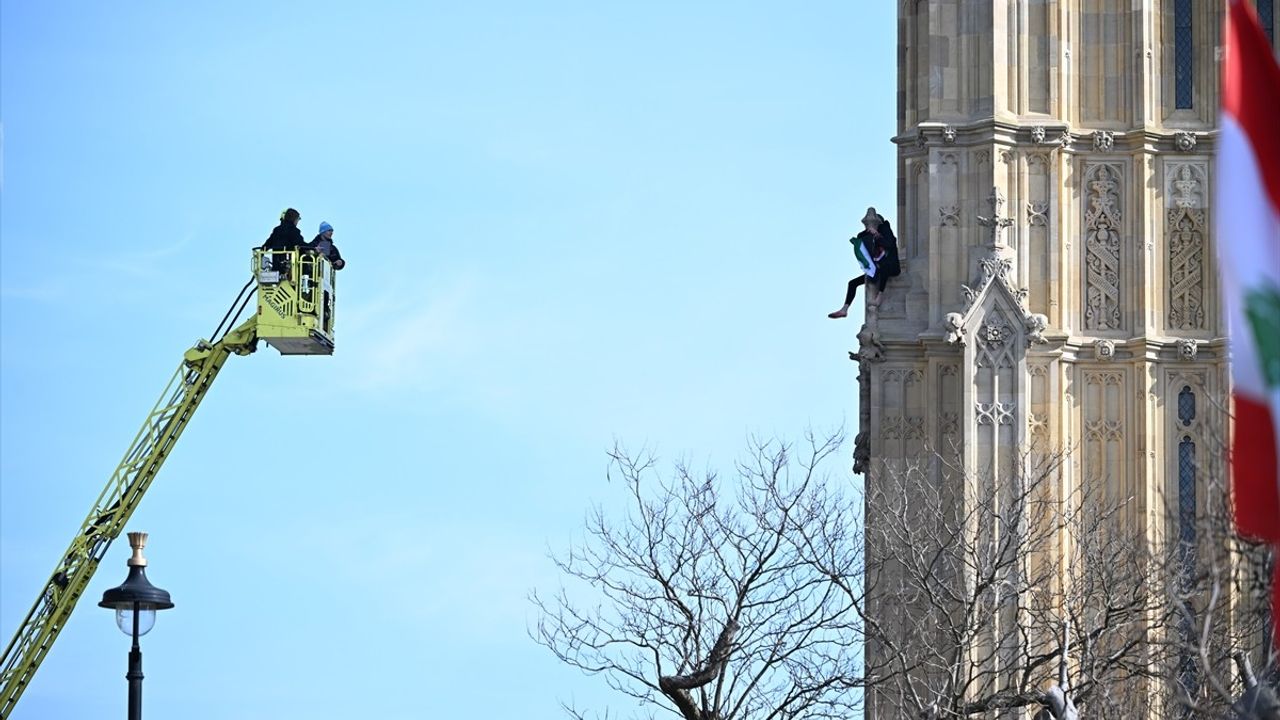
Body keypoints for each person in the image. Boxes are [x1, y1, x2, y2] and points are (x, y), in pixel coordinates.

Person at [828, 207, 901, 319]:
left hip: (892, 267)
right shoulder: (869, 235)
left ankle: (879, 296)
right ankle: (844, 309)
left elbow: (889, 244)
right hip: (877, 269)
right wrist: (869, 233)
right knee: (852, 283)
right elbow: (860, 239)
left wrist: (877, 235)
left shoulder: (887, 233)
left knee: (884, 268)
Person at [261, 208, 306, 273]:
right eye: (298, 219)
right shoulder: (294, 231)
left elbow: (267, 245)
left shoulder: (277, 230)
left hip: (276, 267)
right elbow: (301, 245)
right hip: (291, 269)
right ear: (295, 219)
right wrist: (312, 248)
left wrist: (261, 253)